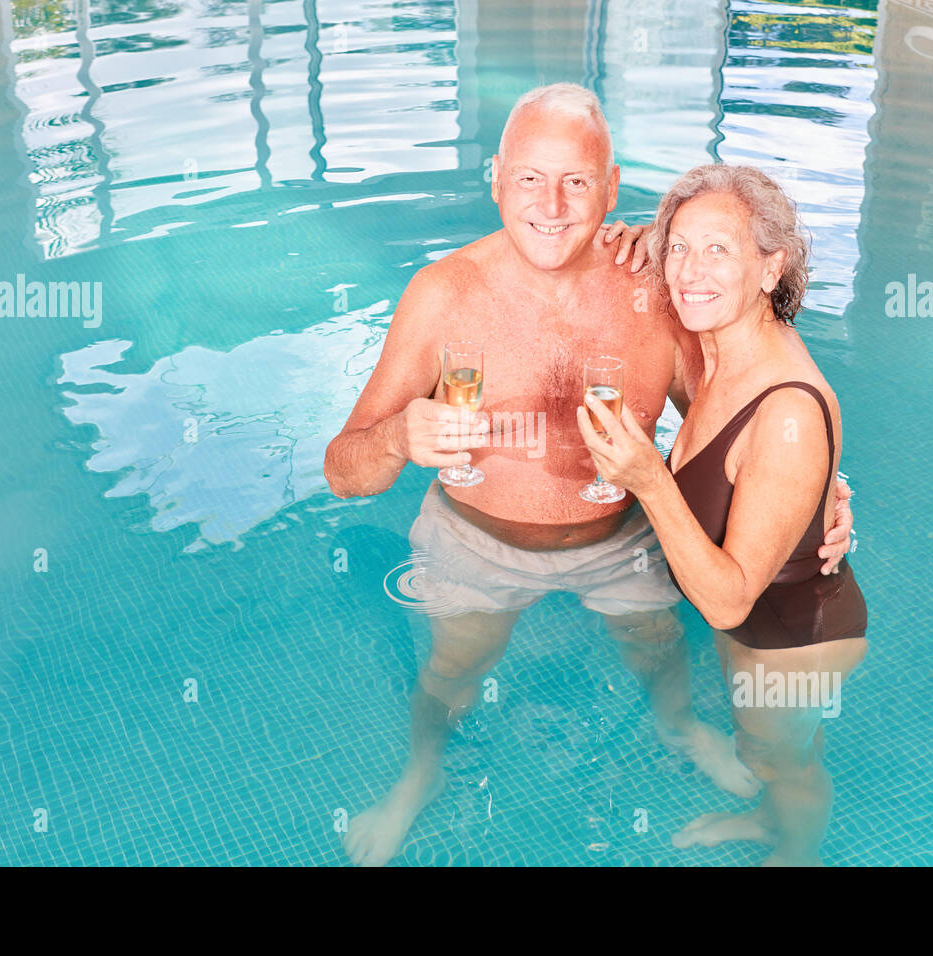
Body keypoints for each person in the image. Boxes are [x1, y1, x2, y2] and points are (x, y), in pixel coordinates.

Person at [323, 85, 854, 866]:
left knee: (655, 645)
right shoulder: (443, 295)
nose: (551, 204)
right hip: (476, 539)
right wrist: (401, 434)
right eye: (531, 178)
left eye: (577, 181)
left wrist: (825, 490)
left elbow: (736, 424)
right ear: (496, 177)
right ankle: (420, 776)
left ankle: (678, 725)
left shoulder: (655, 292)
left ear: (611, 189)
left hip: (625, 536)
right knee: (451, 672)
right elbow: (343, 471)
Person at [578, 164, 868, 866]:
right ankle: (771, 824)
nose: (689, 270)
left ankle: (798, 851)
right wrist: (645, 239)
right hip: (766, 621)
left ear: (773, 268)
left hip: (792, 636)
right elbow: (687, 255)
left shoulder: (786, 410)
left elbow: (727, 600)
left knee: (778, 758)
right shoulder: (720, 350)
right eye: (680, 247)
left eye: (718, 251)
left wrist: (649, 479)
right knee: (775, 742)